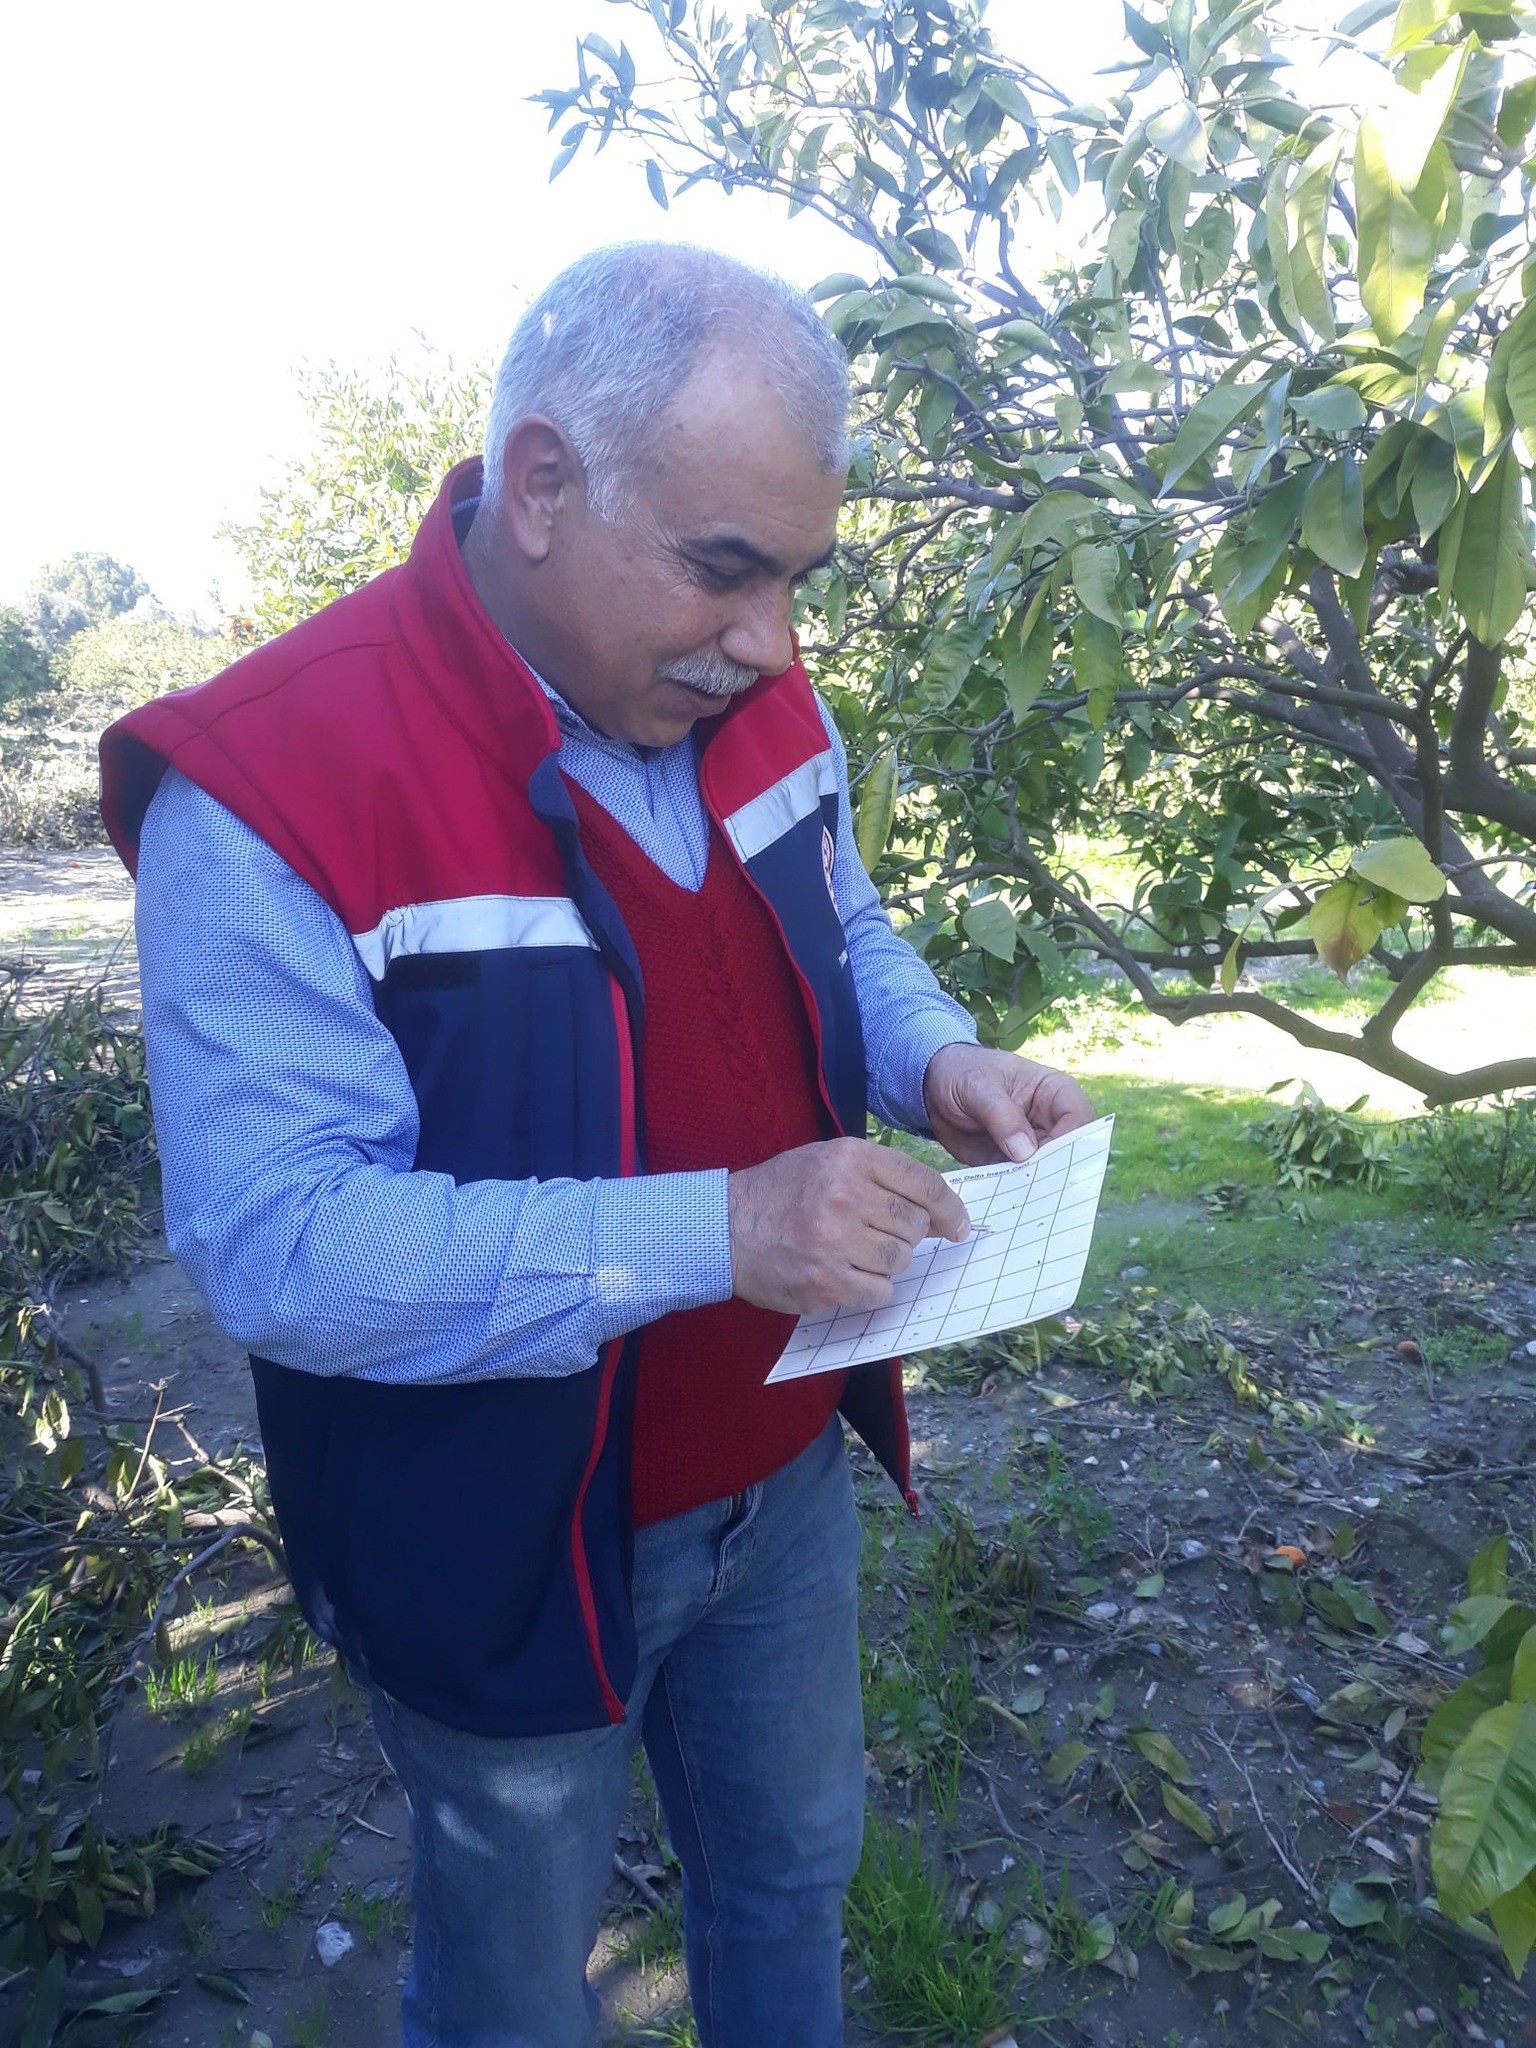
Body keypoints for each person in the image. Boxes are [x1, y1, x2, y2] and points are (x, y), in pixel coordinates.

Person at [100, 243, 1093, 2048]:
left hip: (782, 1474)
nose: (770, 641)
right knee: (509, 1994)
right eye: (725, 570)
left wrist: (936, 1057)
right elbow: (280, 1243)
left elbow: (843, 921)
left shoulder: (757, 693)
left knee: (790, 1881)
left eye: (797, 578)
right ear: (544, 484)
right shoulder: (269, 786)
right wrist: (714, 1228)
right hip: (502, 1534)